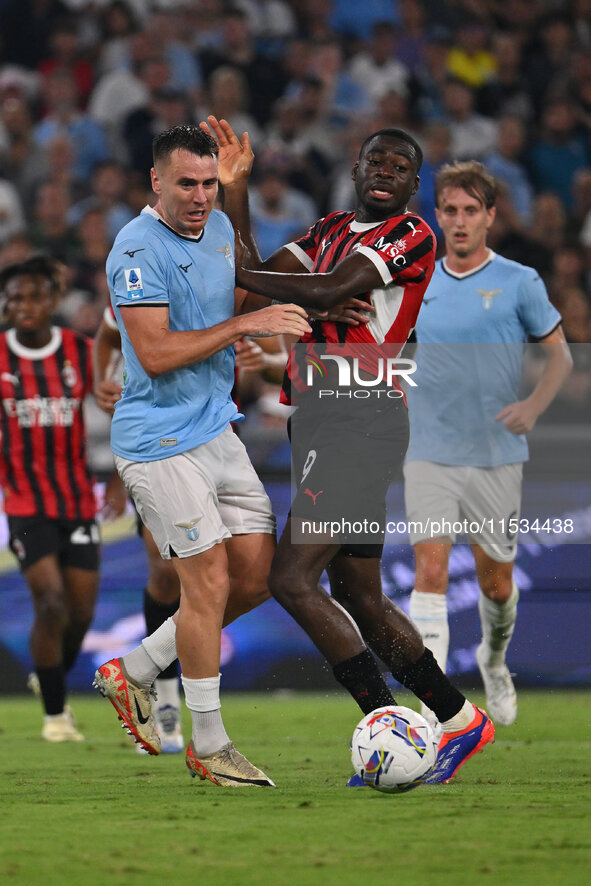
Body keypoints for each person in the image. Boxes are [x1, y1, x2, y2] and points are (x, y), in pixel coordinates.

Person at [112, 119, 496, 787]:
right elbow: (249, 274)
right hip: (321, 415)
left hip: (360, 416)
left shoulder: (410, 234)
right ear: (355, 166)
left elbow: (320, 290)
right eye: (373, 159)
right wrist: (235, 190)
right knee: (357, 593)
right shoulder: (327, 231)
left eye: (399, 167)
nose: (384, 171)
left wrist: (311, 301)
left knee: (289, 579)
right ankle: (459, 720)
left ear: (413, 184)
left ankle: (385, 719)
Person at [92, 124, 312, 788]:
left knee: (255, 576)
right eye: (186, 182)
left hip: (218, 427)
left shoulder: (216, 227)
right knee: (207, 583)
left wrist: (270, 310)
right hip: (158, 440)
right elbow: (154, 355)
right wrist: (245, 326)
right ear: (155, 181)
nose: (199, 195)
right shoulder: (134, 247)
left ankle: (131, 670)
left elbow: (241, 286)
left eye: (209, 183)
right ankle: (209, 744)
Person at [404, 161, 573, 729]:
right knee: (429, 569)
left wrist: (531, 406)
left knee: (496, 584)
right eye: (449, 210)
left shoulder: (520, 281)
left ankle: (493, 661)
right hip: (428, 450)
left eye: (470, 210)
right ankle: (435, 709)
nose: (459, 220)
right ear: (437, 215)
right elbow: (388, 352)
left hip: (496, 453)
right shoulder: (416, 281)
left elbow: (561, 356)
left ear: (490, 216)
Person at [0, 255, 100, 742]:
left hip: (79, 499)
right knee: (51, 601)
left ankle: (50, 672)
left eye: (35, 296)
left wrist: (119, 477)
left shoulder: (81, 351)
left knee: (82, 613)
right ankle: (56, 717)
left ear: (53, 300)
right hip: (23, 501)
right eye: (16, 297)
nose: (25, 305)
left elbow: (117, 411)